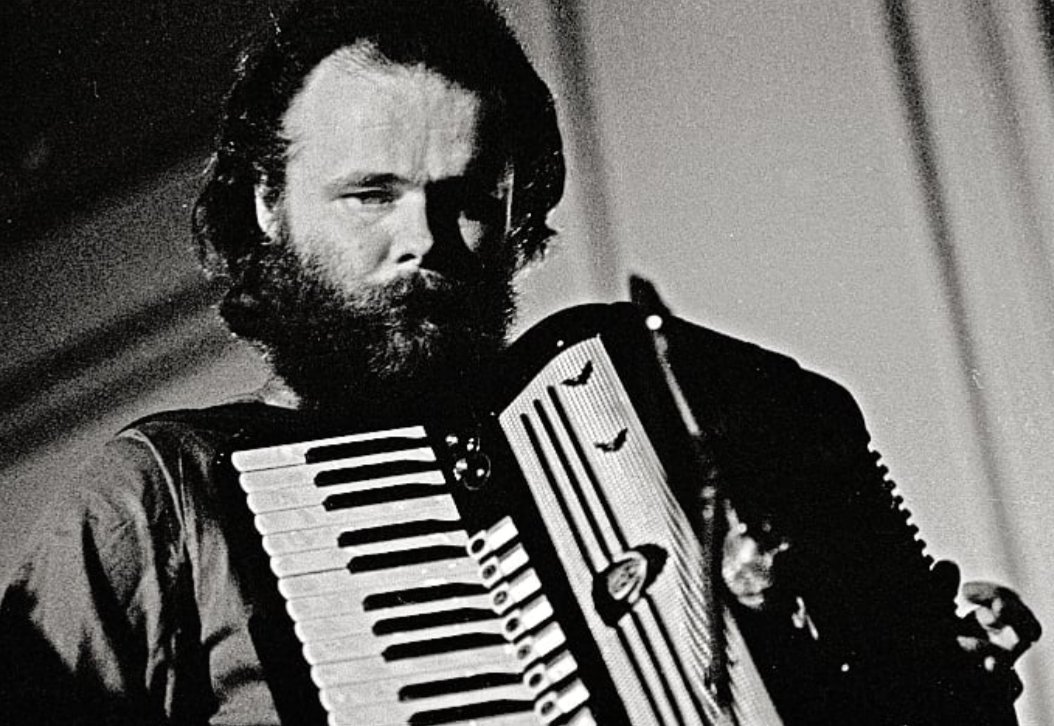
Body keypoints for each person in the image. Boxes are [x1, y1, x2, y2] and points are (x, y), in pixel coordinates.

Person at [0, 0, 1040, 724]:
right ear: (269, 205)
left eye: (466, 201)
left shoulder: (642, 405)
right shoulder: (157, 503)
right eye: (371, 195)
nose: (425, 242)